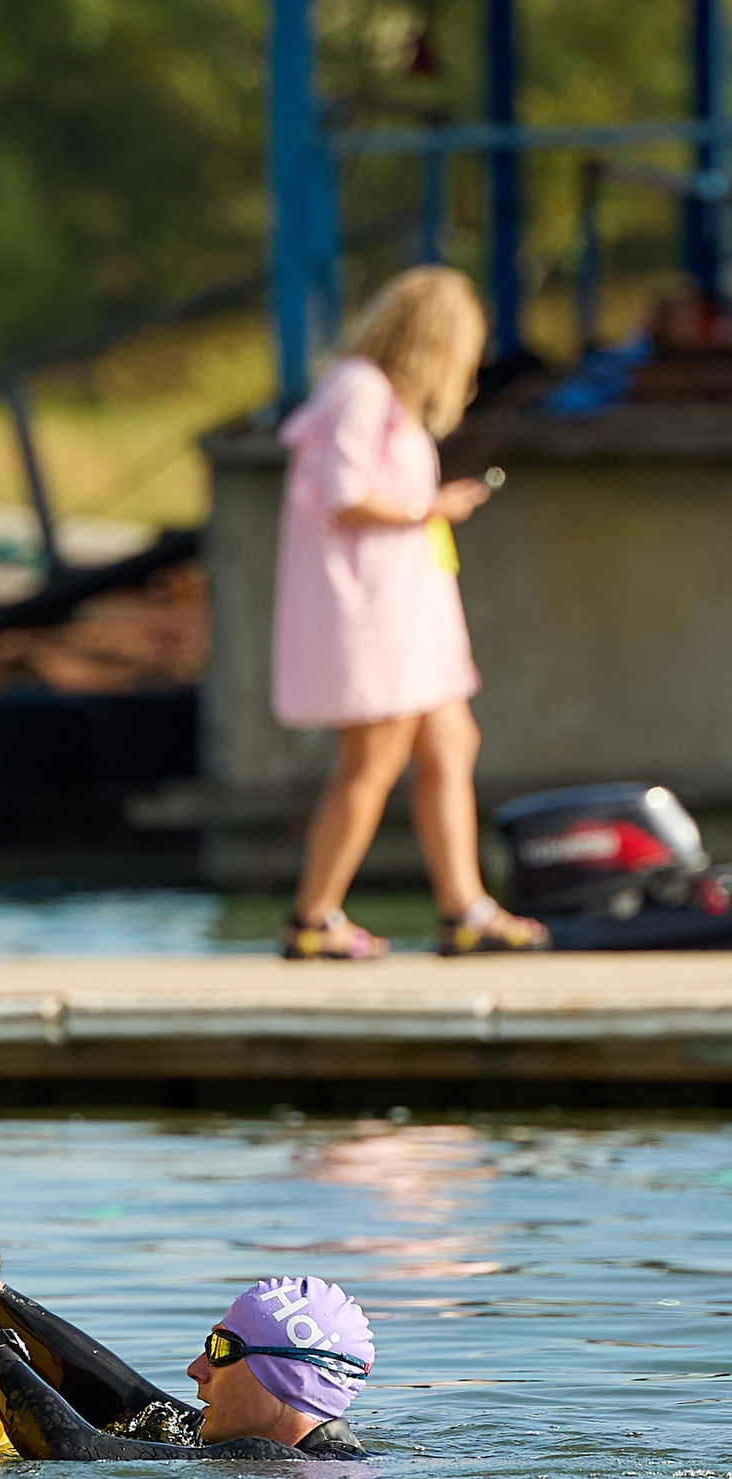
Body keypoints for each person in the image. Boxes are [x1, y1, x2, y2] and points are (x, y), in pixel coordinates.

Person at [272, 265, 547, 960]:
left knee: (453, 745)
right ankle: (314, 916)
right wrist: (434, 507)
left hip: (410, 612)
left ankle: (467, 909)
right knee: (371, 763)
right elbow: (343, 493)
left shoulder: (380, 396)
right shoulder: (358, 389)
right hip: (371, 614)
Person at [0, 1263, 374, 1461]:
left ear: (283, 1376)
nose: (196, 1368)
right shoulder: (306, 1451)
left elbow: (77, 1450)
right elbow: (131, 1405)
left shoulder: (272, 1462)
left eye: (222, 1350)